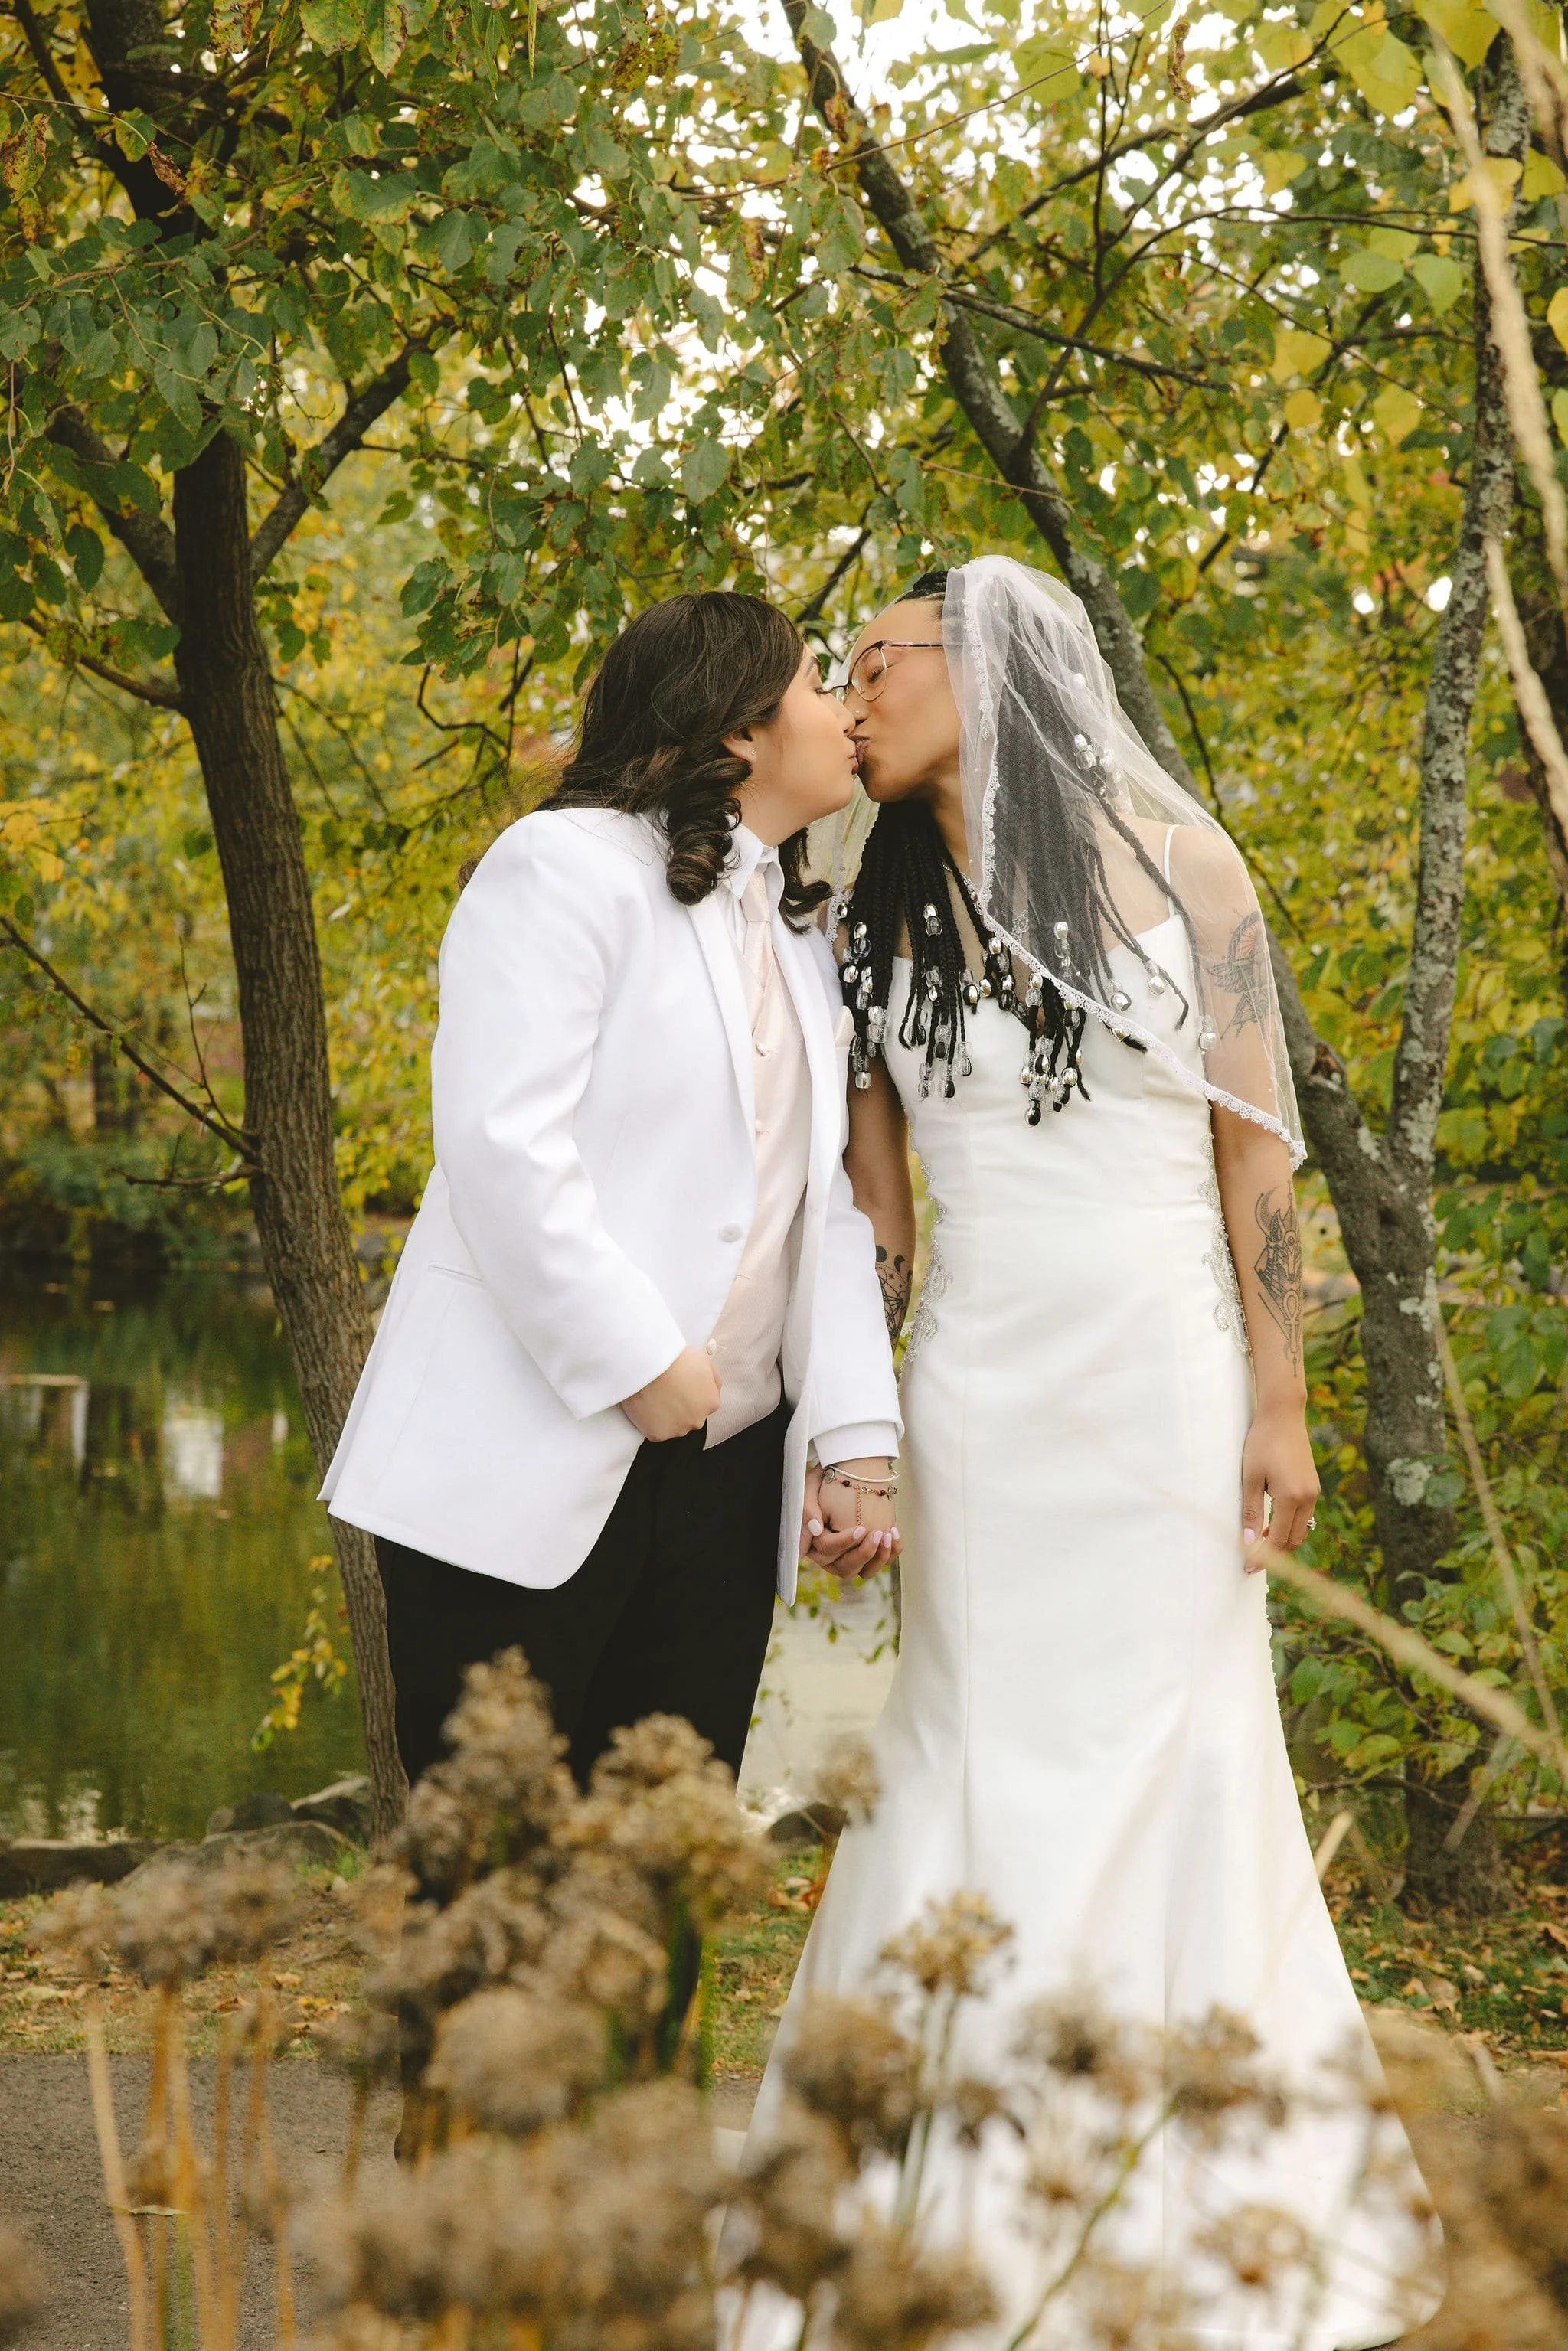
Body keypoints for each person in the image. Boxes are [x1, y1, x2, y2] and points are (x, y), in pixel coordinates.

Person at [735, 557, 1442, 2347]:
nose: (853, 692)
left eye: (876, 662)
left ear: (980, 666)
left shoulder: (1187, 871)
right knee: (971, 1748)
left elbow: (1252, 1165)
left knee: (1183, 1748)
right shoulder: (864, 905)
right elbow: (869, 1218)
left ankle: (1209, 2200)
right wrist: (844, 1424)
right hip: (978, 1393)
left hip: (1158, 1386)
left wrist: (1280, 1403)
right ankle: (938, 2204)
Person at [320, 593, 901, 1798]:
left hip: (727, 1484)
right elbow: (502, 1143)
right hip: (521, 1452)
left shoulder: (799, 931)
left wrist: (850, 1434)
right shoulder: (562, 865)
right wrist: (643, 1361)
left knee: (661, 1875)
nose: (845, 710)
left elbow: (823, 1208)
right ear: (739, 729)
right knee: (492, 1882)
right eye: (815, 683)